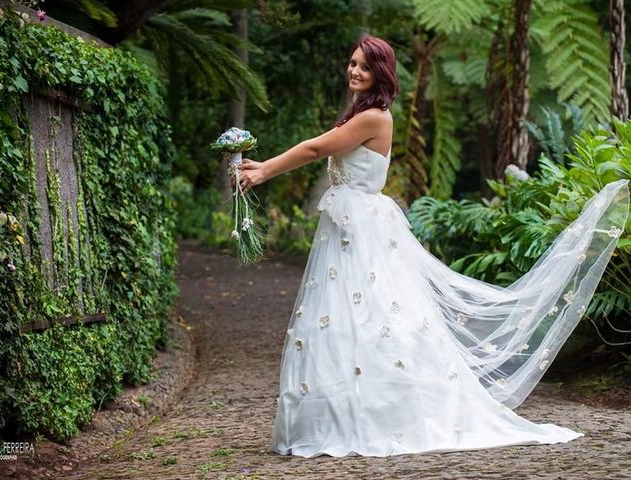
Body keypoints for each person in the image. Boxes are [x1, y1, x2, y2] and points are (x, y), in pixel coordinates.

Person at [236, 35, 630, 458]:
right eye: (352, 63)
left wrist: (265, 173)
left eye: (364, 67)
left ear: (380, 75)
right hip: (349, 227)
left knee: (371, 316)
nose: (354, 71)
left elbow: (317, 148)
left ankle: (379, 412)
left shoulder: (374, 118)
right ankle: (343, 411)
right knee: (350, 317)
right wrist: (261, 165)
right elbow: (322, 145)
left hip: (361, 230)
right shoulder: (362, 113)